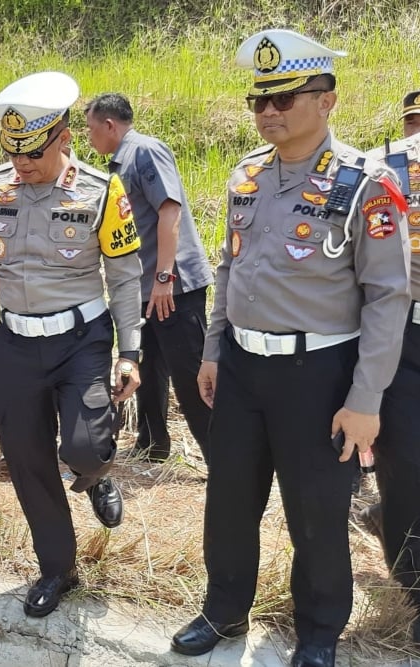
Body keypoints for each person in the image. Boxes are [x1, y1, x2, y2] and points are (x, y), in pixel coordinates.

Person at [169, 31, 411, 667]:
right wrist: (215, 349)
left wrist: (366, 400)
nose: (269, 112)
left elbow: (389, 298)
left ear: (327, 101)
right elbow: (230, 268)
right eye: (260, 100)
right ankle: (223, 609)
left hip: (320, 373)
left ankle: (320, 632)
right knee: (229, 499)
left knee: (316, 514)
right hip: (245, 368)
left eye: (286, 98)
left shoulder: (367, 185)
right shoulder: (246, 175)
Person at [0, 71, 143, 618]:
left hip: (82, 338)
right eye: (13, 151)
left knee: (80, 446)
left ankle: (96, 468)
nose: (22, 163)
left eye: (33, 151)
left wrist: (131, 351)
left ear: (64, 140)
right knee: (26, 459)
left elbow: (124, 276)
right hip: (16, 340)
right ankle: (58, 568)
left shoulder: (101, 191)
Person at [84, 93, 214, 462]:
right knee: (149, 368)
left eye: (92, 130)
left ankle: (221, 456)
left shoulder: (144, 151)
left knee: (191, 376)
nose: (90, 139)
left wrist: (163, 277)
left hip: (173, 286)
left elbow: (169, 211)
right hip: (146, 287)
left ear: (110, 125)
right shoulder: (119, 162)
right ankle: (152, 444)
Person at [357, 88, 420, 642]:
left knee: (403, 473)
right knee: (402, 471)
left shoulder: (384, 165)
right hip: (404, 332)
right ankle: (414, 595)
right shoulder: (388, 169)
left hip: (402, 330)